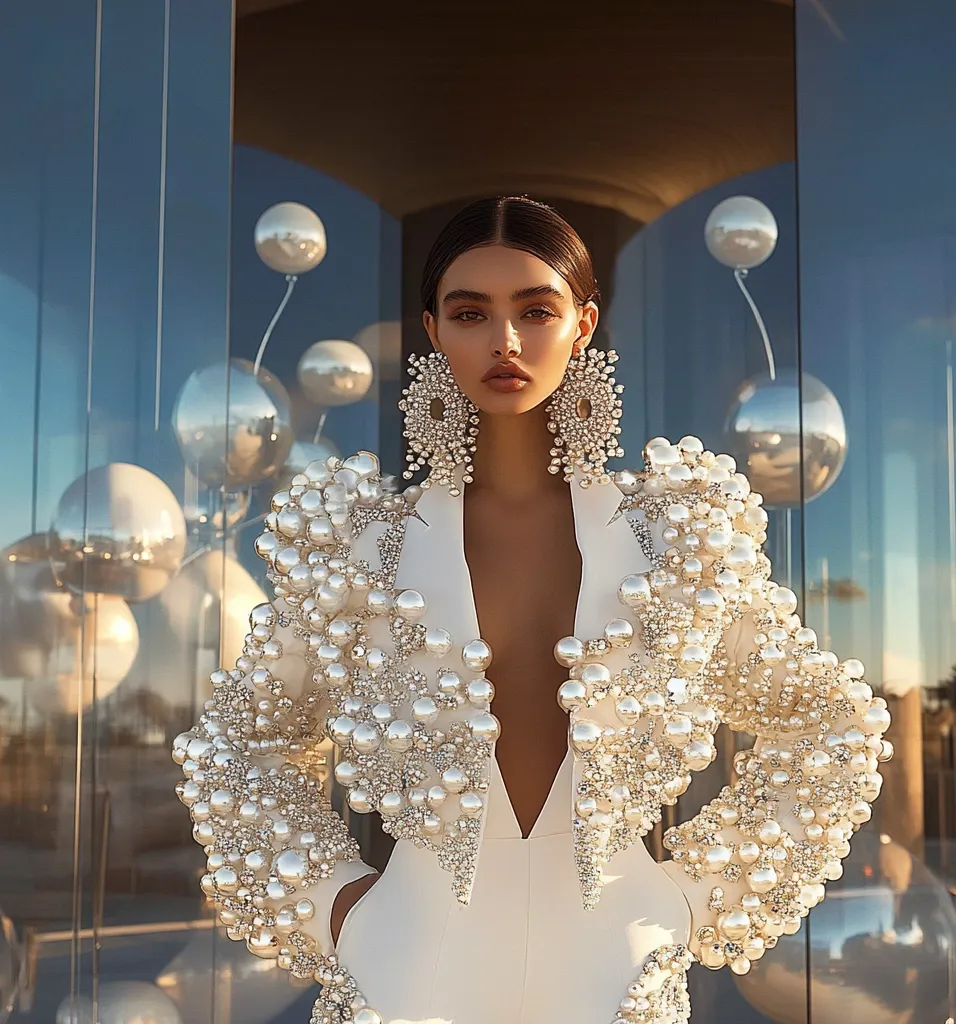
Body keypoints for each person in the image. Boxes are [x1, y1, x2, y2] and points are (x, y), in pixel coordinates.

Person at [174, 196, 893, 1024]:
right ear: (434, 331)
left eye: (535, 310)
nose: (504, 342)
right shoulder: (359, 549)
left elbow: (832, 725)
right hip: (407, 964)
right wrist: (331, 908)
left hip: (616, 968)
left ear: (583, 324)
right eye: (471, 312)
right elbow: (237, 746)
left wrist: (699, 898)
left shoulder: (677, 541)